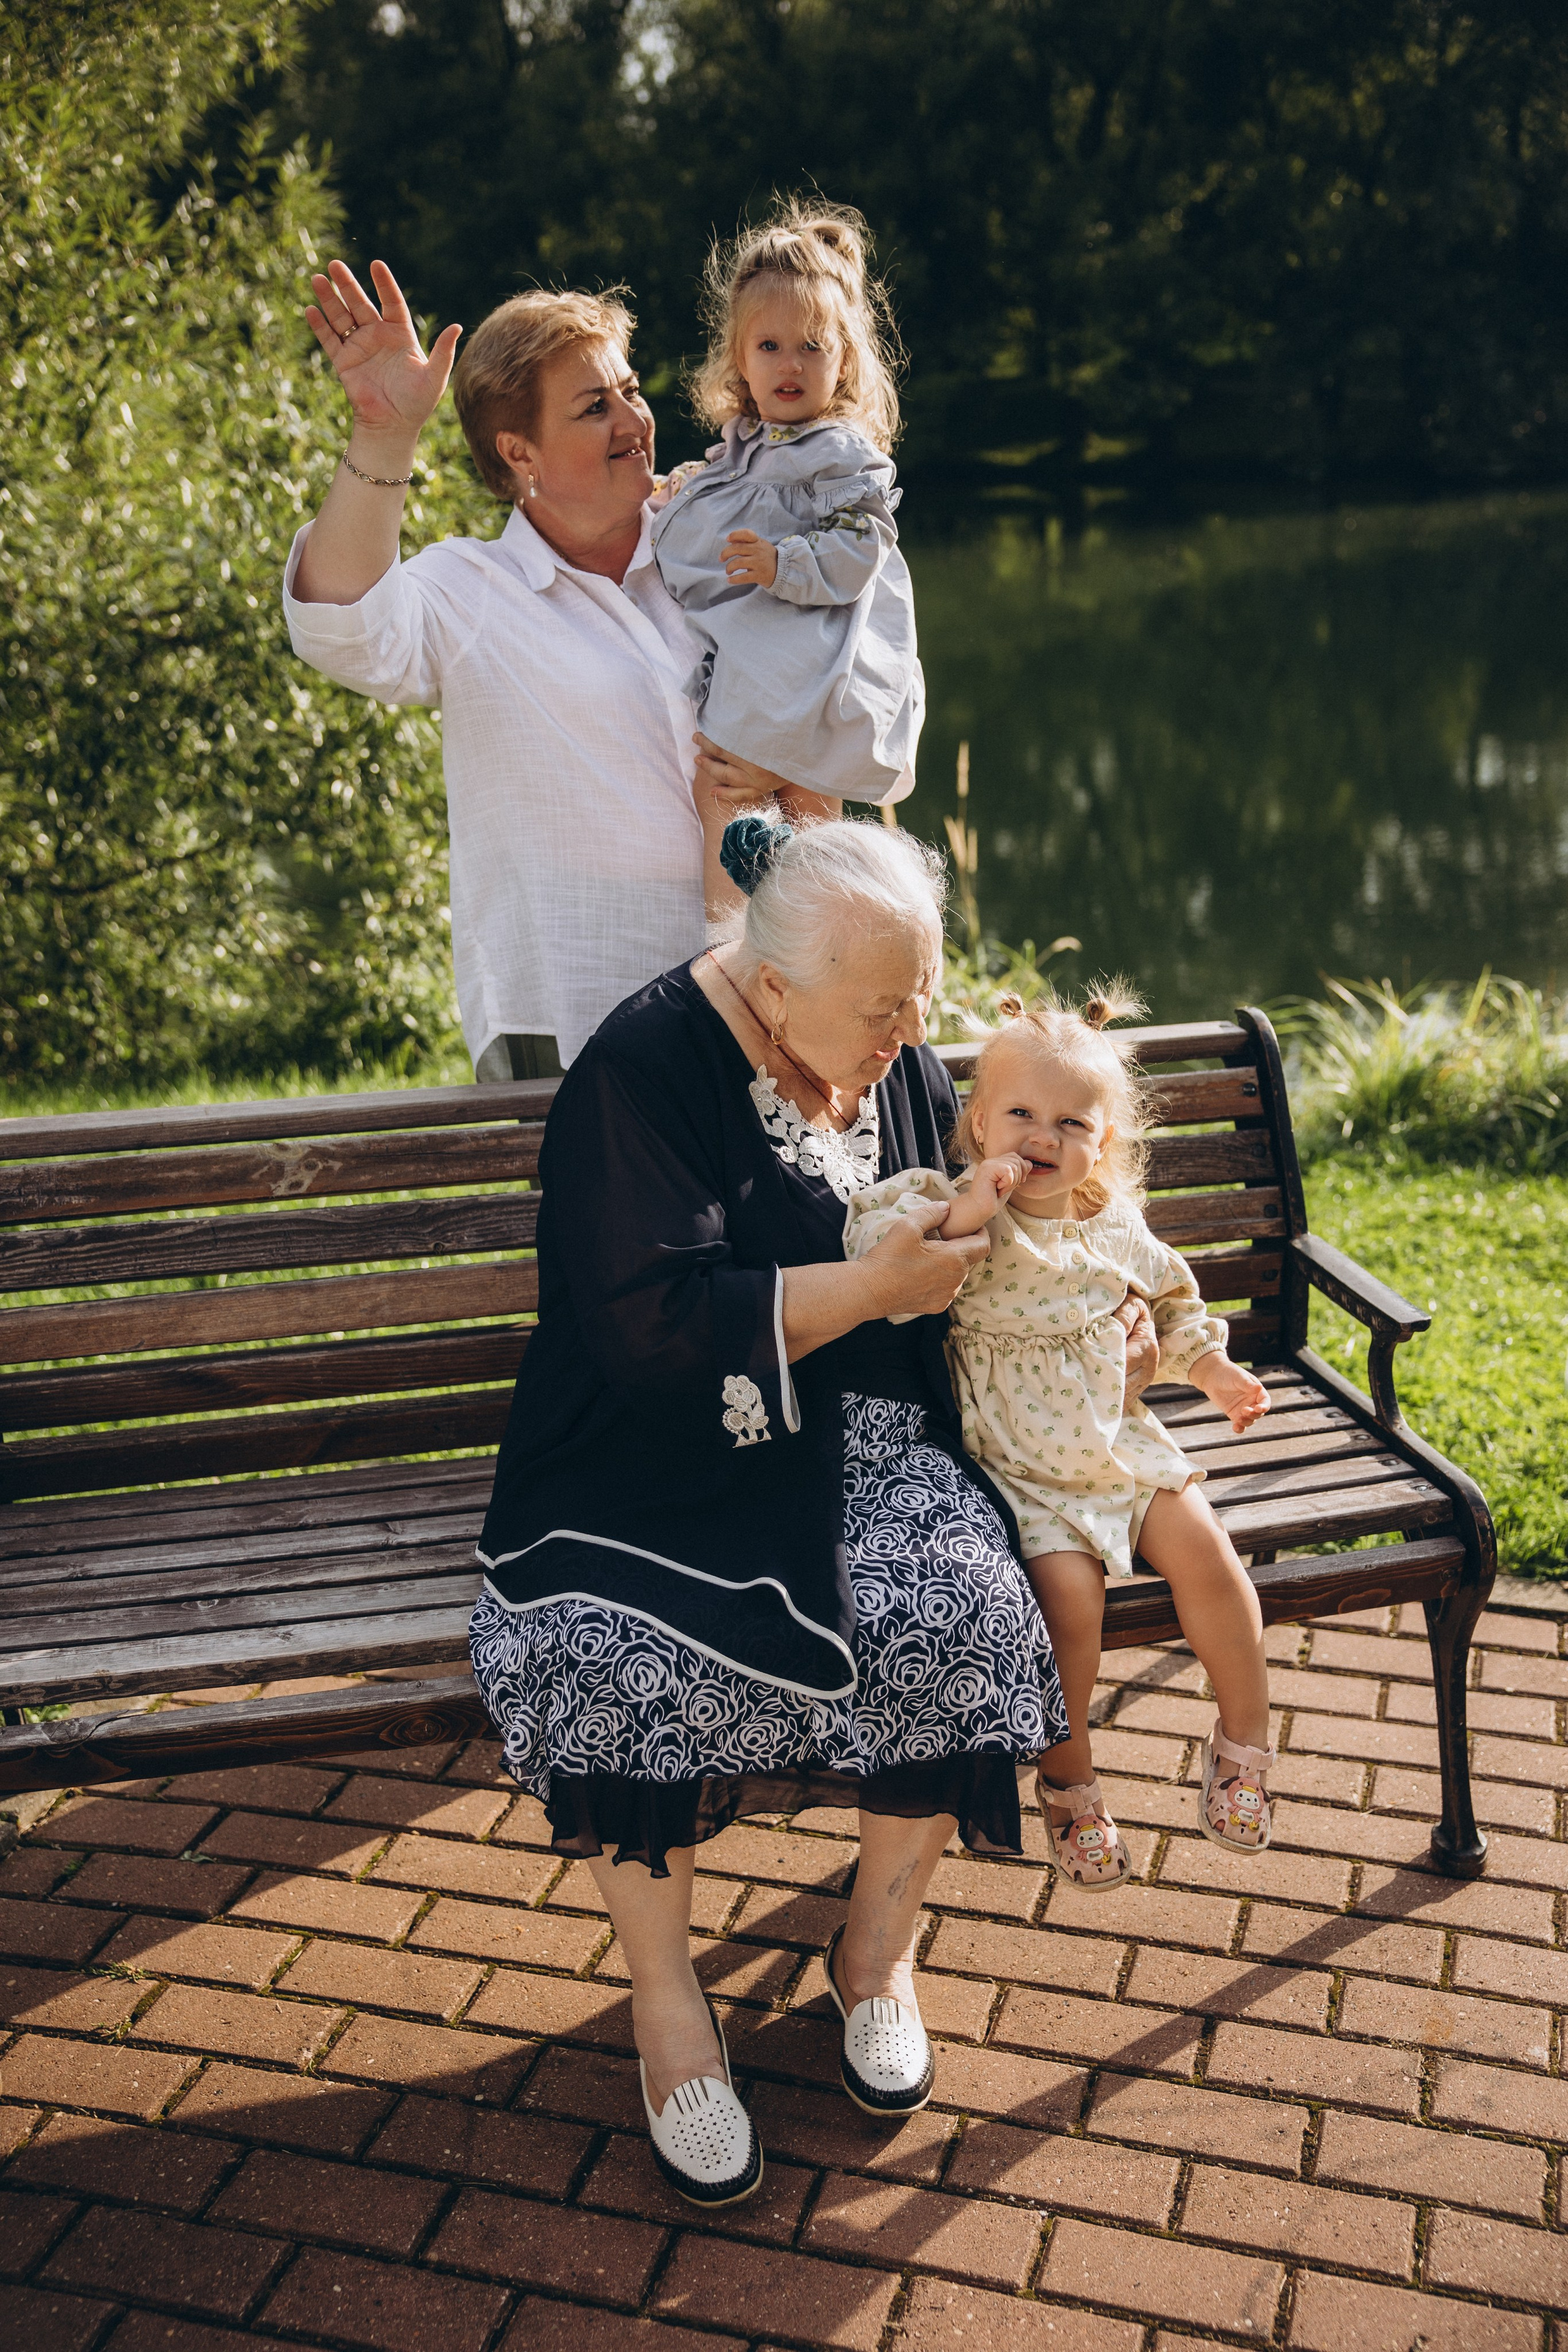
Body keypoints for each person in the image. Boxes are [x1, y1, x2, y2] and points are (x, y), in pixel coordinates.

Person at [468, 817, 1158, 2207]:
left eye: (921, 998)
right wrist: (869, 1291)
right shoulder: (640, 1069)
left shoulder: (891, 1057)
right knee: (613, 1654)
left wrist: (1107, 1316)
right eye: (884, 1007)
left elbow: (1003, 1230)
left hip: (868, 1426)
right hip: (653, 1445)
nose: (913, 1037)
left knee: (967, 1610)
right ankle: (669, 2012)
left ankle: (875, 1955)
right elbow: (643, 1326)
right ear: (772, 986)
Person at [282, 259, 842, 1081]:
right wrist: (384, 434)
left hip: (777, 1000)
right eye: (593, 407)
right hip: (575, 1018)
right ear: (520, 454)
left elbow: (842, 693)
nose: (633, 421)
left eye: (630, 390)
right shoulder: (473, 590)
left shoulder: (727, 542)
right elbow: (341, 626)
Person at [843, 986, 1278, 1893]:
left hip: (1122, 1444)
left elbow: (1174, 1304)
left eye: (1071, 1123)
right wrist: (973, 1200)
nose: (1043, 1137)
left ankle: (1244, 1744)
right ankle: (1070, 1783)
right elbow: (874, 1243)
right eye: (1021, 1115)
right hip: (1022, 1469)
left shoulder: (1112, 1225)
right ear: (978, 1122)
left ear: (1101, 1142)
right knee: (1070, 1608)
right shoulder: (955, 1207)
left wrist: (1214, 1374)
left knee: (1211, 1558)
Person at [650, 200, 923, 812]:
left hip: (816, 679)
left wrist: (784, 563)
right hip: (757, 683)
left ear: (843, 360)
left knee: (808, 821)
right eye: (769, 345)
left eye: (812, 346)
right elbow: (732, 494)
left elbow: (862, 544)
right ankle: (728, 883)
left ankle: (807, 874)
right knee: (721, 796)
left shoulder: (840, 455)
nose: (790, 363)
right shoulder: (742, 448)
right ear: (740, 359)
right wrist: (683, 486)